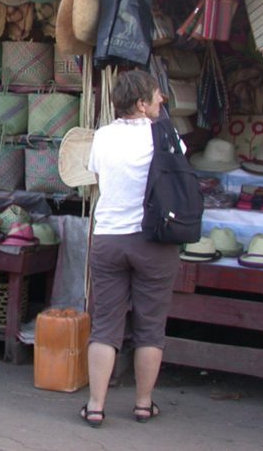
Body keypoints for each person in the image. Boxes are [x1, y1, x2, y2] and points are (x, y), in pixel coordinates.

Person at [81, 70, 179, 427]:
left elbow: (97, 175)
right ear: (141, 103)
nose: (161, 101)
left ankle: (95, 404)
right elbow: (180, 171)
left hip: (108, 238)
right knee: (150, 327)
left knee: (105, 325)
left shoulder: (102, 136)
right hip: (153, 240)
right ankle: (142, 403)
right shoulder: (165, 134)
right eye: (156, 96)